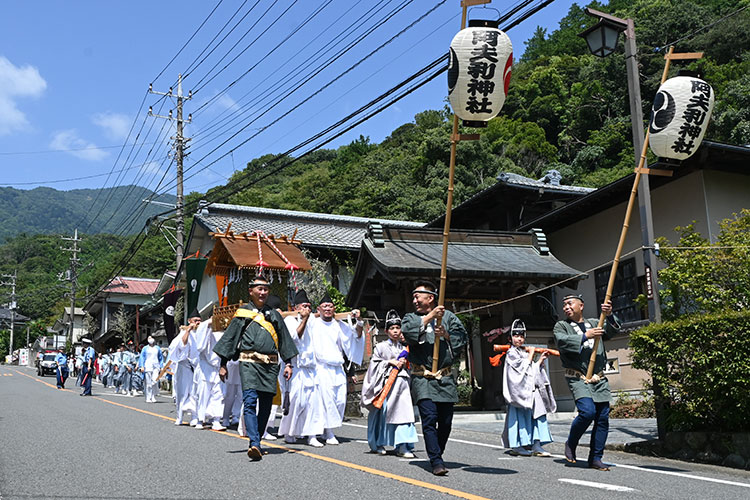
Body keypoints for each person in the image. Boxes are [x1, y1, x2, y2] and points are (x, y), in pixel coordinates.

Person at [214, 276, 298, 461]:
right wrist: (223, 364)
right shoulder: (243, 313)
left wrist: (289, 363)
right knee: (250, 401)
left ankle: (257, 439)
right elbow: (230, 338)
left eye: (265, 289)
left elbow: (284, 339)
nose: (262, 292)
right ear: (251, 291)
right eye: (259, 289)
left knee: (267, 404)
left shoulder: (274, 315)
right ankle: (254, 442)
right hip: (249, 363)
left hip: (270, 365)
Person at [401, 280, 467, 476]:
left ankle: (437, 452)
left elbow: (462, 338)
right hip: (423, 377)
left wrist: (446, 335)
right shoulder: (410, 318)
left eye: (418, 296)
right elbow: (408, 333)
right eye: (413, 296)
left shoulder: (449, 318)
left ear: (430, 298)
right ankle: (436, 460)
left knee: (445, 422)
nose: (414, 300)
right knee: (429, 418)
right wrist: (431, 316)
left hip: (444, 377)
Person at [553, 294, 620, 471]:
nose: (566, 307)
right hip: (578, 377)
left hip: (598, 377)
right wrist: (585, 335)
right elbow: (562, 341)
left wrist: (610, 314)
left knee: (602, 417)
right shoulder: (562, 326)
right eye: (564, 305)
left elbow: (613, 330)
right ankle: (571, 442)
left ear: (581, 305)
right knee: (587, 412)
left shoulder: (595, 322)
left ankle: (596, 458)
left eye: (570, 303)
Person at [303, 292, 365, 447]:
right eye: (324, 306)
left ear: (334, 308)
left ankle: (326, 429)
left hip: (337, 368)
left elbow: (355, 337)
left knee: (339, 400)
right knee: (325, 400)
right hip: (321, 367)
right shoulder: (313, 322)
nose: (327, 309)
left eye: (330, 306)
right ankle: (327, 432)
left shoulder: (339, 325)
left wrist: (359, 321)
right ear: (319, 309)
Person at [361, 310, 417, 457]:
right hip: (386, 384)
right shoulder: (380, 347)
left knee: (404, 414)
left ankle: (403, 445)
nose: (395, 331)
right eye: (392, 328)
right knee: (383, 414)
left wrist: (406, 363)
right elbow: (374, 365)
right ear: (386, 331)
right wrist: (388, 362)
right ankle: (379, 443)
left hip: (402, 384)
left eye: (398, 328)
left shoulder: (404, 348)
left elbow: (412, 366)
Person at [500, 320, 556, 457]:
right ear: (510, 338)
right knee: (518, 418)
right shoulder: (511, 353)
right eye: (516, 336)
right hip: (518, 392)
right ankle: (517, 445)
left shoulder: (524, 353)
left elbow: (531, 370)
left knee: (538, 415)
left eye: (521, 336)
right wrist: (531, 355)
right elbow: (519, 371)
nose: (519, 339)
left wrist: (540, 361)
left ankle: (537, 444)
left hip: (531, 390)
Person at [277, 289, 312, 445]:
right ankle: (289, 433)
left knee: (309, 402)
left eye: (309, 306)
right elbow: (294, 339)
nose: (307, 309)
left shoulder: (313, 321)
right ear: (296, 307)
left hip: (310, 368)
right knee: (294, 400)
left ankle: (307, 432)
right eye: (304, 306)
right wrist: (303, 320)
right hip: (294, 366)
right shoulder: (290, 321)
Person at [190, 316, 226, 431]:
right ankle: (200, 420)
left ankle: (216, 420)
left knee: (219, 394)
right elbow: (200, 347)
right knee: (203, 394)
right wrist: (208, 323)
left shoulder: (222, 332)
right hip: (205, 367)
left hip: (218, 367)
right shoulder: (203, 329)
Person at [168, 310, 200, 425]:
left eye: (199, 321)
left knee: (195, 393)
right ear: (189, 321)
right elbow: (182, 345)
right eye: (195, 320)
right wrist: (188, 330)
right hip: (184, 367)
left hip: (196, 368)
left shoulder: (200, 333)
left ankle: (194, 416)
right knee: (182, 392)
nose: (197, 323)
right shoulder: (183, 333)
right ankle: (179, 416)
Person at [139, 335, 164, 403]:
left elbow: (160, 358)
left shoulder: (157, 348)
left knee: (154, 381)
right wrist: (142, 366)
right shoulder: (145, 348)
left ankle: (153, 396)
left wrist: (161, 366)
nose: (150, 339)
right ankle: (148, 397)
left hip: (156, 366)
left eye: (151, 338)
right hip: (148, 366)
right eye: (149, 338)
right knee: (148, 383)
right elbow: (142, 357)